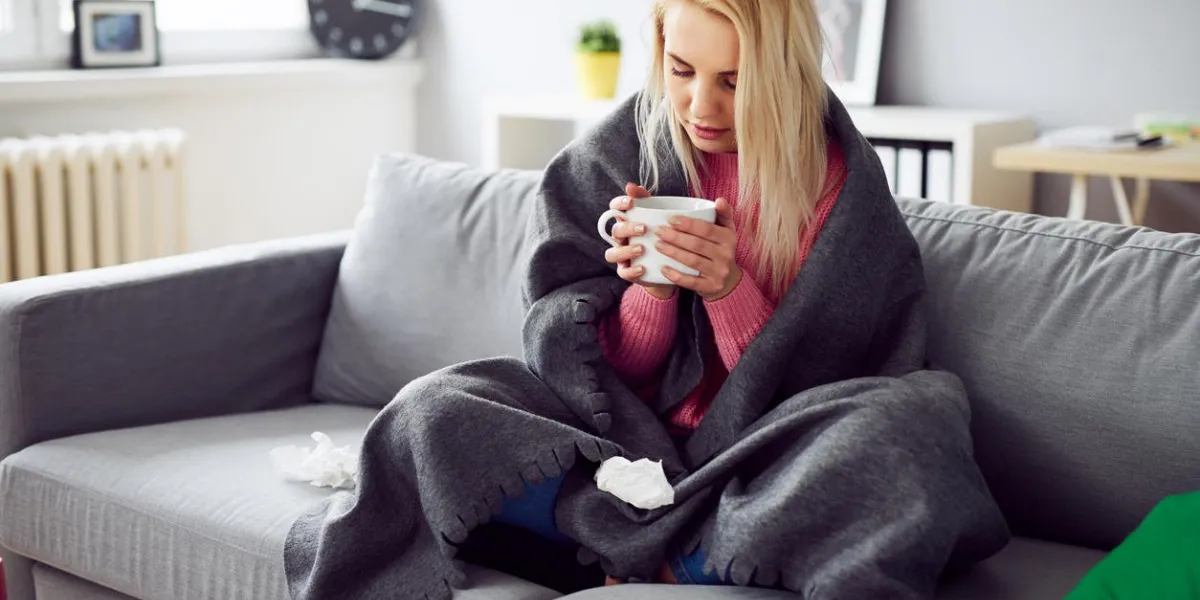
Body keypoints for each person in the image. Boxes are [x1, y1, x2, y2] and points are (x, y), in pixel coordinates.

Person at [284, 1, 1010, 598]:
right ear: (659, 49)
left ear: (784, 76)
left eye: (734, 80)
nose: (701, 105)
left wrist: (730, 292)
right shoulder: (617, 152)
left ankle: (642, 553)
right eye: (682, 71)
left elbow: (834, 386)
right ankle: (693, 549)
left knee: (913, 427)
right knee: (433, 411)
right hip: (618, 446)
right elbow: (583, 370)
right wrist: (650, 292)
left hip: (764, 458)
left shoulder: (840, 183)